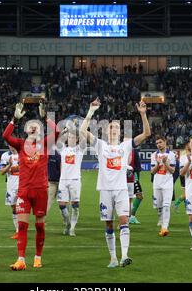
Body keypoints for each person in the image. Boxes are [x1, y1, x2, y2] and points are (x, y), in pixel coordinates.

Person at [80, 98, 151, 268]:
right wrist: (91, 112)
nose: (113, 129)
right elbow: (82, 131)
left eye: (116, 127)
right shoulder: (101, 145)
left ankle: (124, 255)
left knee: (124, 220)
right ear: (106, 130)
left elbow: (147, 134)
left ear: (120, 132)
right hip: (105, 190)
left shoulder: (126, 145)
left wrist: (143, 114)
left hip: (120, 190)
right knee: (109, 224)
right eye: (111, 127)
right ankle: (112, 257)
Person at [2, 101, 59, 271]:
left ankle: (37, 257)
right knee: (22, 226)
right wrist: (14, 119)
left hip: (41, 191)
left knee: (40, 226)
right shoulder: (20, 144)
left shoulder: (45, 145)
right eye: (30, 126)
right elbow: (5, 136)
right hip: (24, 192)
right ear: (26, 130)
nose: (33, 128)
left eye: (36, 126)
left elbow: (56, 131)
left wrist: (45, 116)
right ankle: (21, 260)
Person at [57, 131, 84, 236]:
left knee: (75, 205)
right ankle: (67, 223)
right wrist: (64, 131)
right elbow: (58, 140)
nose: (70, 139)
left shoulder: (79, 150)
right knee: (61, 205)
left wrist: (80, 130)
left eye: (73, 137)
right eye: (69, 137)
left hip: (75, 180)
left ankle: (72, 228)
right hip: (63, 180)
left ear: (77, 139)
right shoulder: (63, 149)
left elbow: (83, 139)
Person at [150, 135, 176, 237]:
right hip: (157, 183)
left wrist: (165, 163)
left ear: (165, 142)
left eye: (160, 142)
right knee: (158, 206)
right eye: (157, 143)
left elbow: (173, 171)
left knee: (166, 205)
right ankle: (161, 219)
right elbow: (152, 171)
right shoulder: (153, 155)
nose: (158, 145)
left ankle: (165, 227)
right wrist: (157, 164)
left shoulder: (172, 155)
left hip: (168, 184)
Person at [0, 145, 20, 239]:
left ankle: (19, 230)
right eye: (9, 144)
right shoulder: (5, 156)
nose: (11, 146)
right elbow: (2, 172)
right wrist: (10, 165)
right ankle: (18, 230)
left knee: (21, 207)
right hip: (11, 186)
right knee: (14, 208)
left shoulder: (22, 154)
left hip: (22, 185)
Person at [128, 147, 143, 224]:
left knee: (139, 196)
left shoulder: (134, 152)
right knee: (131, 198)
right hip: (127, 178)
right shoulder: (121, 151)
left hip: (134, 177)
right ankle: (130, 217)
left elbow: (138, 167)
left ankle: (131, 216)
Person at [47, 148, 61, 215]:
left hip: (54, 181)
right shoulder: (58, 155)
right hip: (55, 181)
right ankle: (66, 219)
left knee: (49, 201)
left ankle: (42, 219)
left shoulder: (49, 155)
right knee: (62, 201)